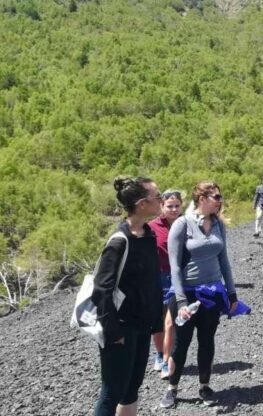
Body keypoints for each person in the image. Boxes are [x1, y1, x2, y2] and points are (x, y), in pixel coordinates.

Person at [161, 181, 238, 408]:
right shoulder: (182, 224)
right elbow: (174, 266)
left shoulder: (218, 224)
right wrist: (182, 300)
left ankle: (204, 386)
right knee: (181, 343)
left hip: (212, 293)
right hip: (186, 294)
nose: (220, 200)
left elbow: (224, 260)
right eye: (216, 196)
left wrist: (231, 293)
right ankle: (172, 388)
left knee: (207, 341)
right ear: (202, 199)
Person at [92, 176, 163, 416]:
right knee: (112, 392)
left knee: (132, 388)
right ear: (142, 204)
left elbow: (148, 282)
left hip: (141, 325)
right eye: (158, 197)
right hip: (121, 329)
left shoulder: (147, 234)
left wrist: (154, 321)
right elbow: (101, 290)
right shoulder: (119, 241)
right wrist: (114, 333)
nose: (161, 201)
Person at [147, 190, 183, 380]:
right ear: (161, 206)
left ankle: (169, 356)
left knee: (173, 321)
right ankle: (160, 354)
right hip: (158, 278)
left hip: (180, 277)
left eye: (177, 205)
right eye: (170, 206)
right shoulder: (151, 227)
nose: (174, 209)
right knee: (158, 320)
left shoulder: (186, 224)